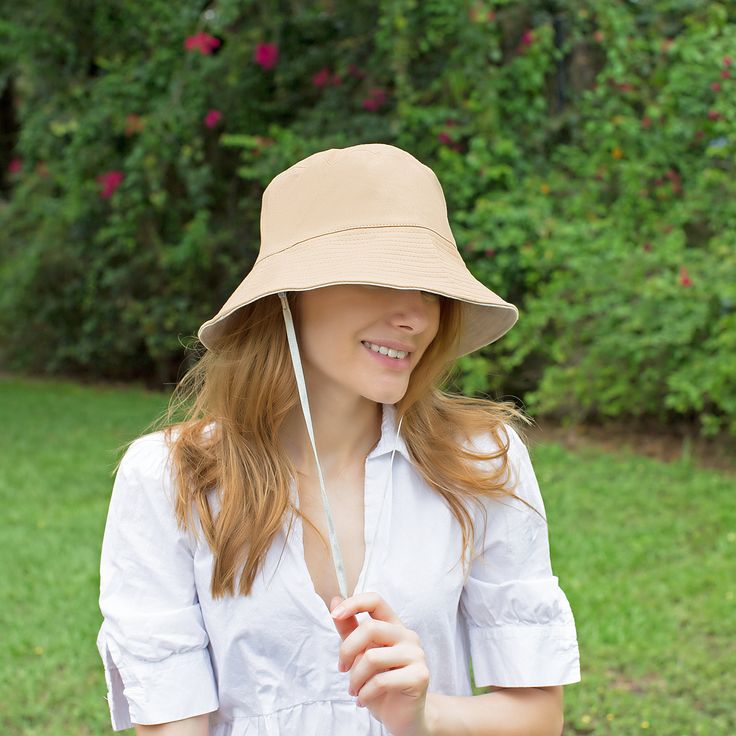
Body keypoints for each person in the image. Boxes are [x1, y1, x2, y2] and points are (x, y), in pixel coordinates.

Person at [96, 143, 581, 736]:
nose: (415, 317)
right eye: (382, 279)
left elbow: (538, 717)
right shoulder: (171, 478)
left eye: (430, 289)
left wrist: (423, 713)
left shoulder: (481, 460)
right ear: (287, 298)